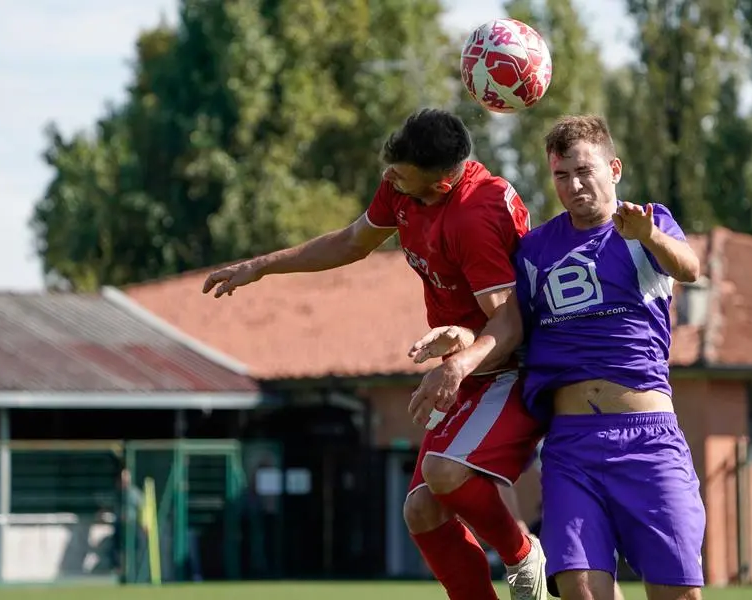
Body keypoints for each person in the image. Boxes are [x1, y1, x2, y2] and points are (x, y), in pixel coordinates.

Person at [202, 108, 547, 600]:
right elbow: (351, 241)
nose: (390, 181)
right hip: (469, 367)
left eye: (402, 176)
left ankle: (522, 556)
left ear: (441, 186)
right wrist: (261, 266)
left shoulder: (474, 214)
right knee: (420, 511)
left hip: (510, 371)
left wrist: (458, 360)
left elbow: (511, 325)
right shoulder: (403, 186)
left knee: (444, 472)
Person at [408, 114, 705, 600]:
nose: (574, 185)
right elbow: (509, 329)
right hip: (571, 446)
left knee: (679, 594)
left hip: (648, 443)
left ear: (614, 168)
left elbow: (689, 268)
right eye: (561, 175)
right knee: (580, 591)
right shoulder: (535, 249)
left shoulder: (648, 223)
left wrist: (648, 235)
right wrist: (461, 340)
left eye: (585, 171)